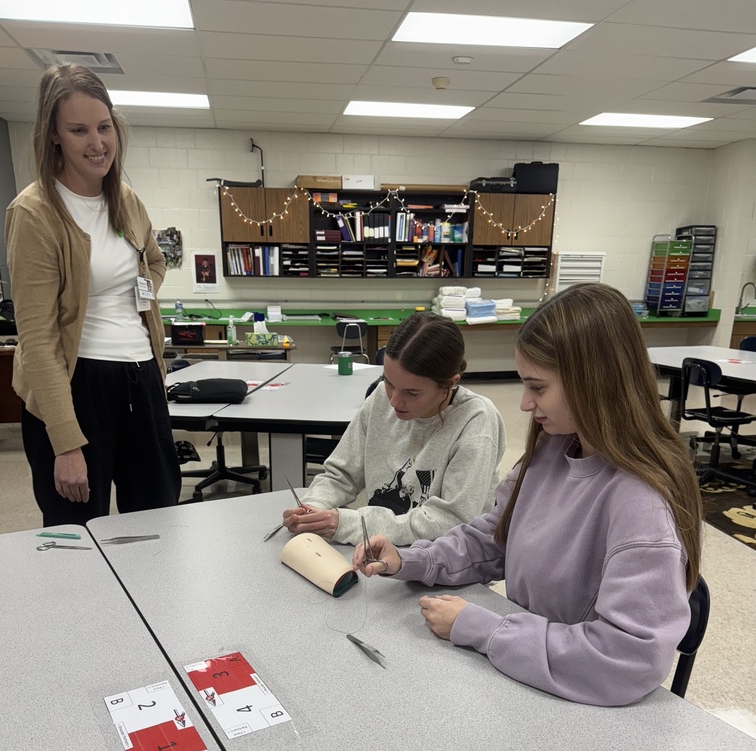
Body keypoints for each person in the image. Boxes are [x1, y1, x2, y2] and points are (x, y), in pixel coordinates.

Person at [353, 284, 703, 707]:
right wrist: (413, 558)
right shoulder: (555, 447)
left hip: (577, 703)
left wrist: (485, 629)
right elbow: (495, 537)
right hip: (525, 678)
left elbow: (626, 659)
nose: (523, 404)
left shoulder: (641, 502)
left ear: (595, 382)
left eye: (537, 388)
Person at [6, 64, 180, 527]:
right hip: (75, 385)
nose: (97, 143)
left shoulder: (124, 198)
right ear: (54, 135)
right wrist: (65, 441)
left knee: (159, 522)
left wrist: (136, 295)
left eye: (104, 127)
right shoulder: (35, 213)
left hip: (141, 379)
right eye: (79, 130)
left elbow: (155, 262)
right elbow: (38, 338)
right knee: (77, 534)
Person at [282, 312, 506, 545]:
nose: (394, 402)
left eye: (412, 393)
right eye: (388, 382)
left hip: (441, 564)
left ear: (449, 385)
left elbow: (450, 521)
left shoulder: (476, 422)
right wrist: (313, 508)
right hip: (379, 549)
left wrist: (348, 523)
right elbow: (342, 475)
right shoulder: (380, 397)